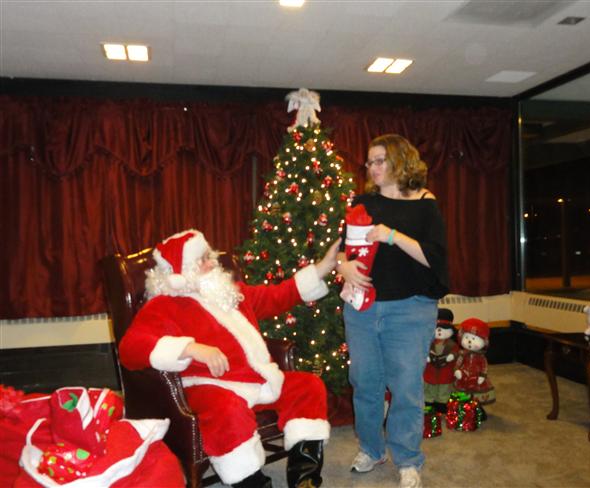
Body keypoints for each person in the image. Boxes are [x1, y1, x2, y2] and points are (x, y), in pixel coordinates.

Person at [119, 229, 340, 488]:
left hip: (257, 380)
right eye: (203, 259)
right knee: (227, 410)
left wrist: (323, 268)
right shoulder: (163, 305)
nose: (213, 262)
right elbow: (130, 349)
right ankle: (252, 483)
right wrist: (190, 349)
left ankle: (305, 479)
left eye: (209, 256)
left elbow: (277, 296)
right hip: (208, 386)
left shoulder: (229, 293)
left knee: (308, 386)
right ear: (180, 273)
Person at [336, 134, 449, 488]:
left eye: (380, 160)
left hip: (410, 310)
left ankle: (408, 459)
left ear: (401, 160)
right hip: (362, 309)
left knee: (406, 387)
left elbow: (435, 259)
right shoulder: (362, 202)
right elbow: (342, 250)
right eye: (369, 162)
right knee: (365, 383)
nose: (372, 167)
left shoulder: (425, 204)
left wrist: (392, 236)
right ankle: (372, 449)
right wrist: (343, 267)